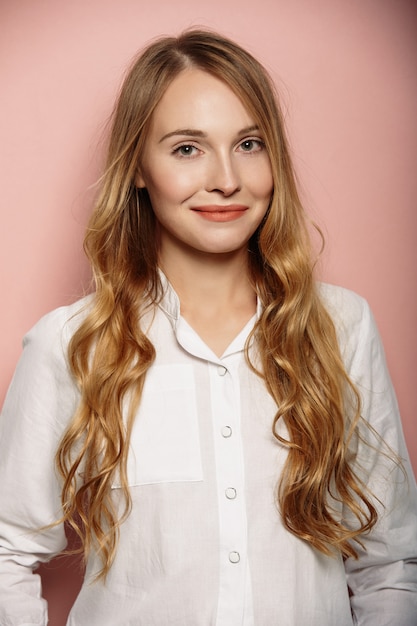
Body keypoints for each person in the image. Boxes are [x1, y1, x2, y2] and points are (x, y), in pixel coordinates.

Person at [0, 29, 416, 626]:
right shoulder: (72, 344)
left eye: (249, 143)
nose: (226, 178)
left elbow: (390, 565)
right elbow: (6, 549)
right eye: (187, 149)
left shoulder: (342, 327)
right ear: (139, 169)